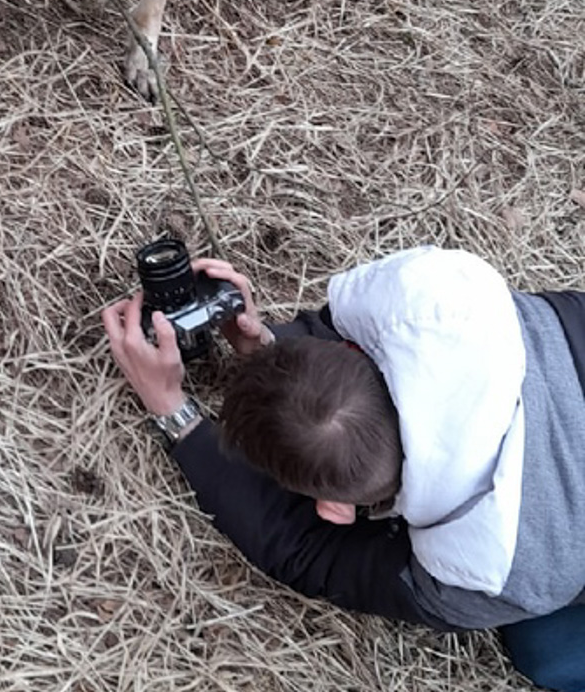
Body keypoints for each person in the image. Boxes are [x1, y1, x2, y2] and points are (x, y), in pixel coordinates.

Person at [102, 245, 585, 692]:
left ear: (335, 508)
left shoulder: (490, 576)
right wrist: (268, 347)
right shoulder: (455, 303)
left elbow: (310, 555)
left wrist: (172, 410)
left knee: (548, 656)